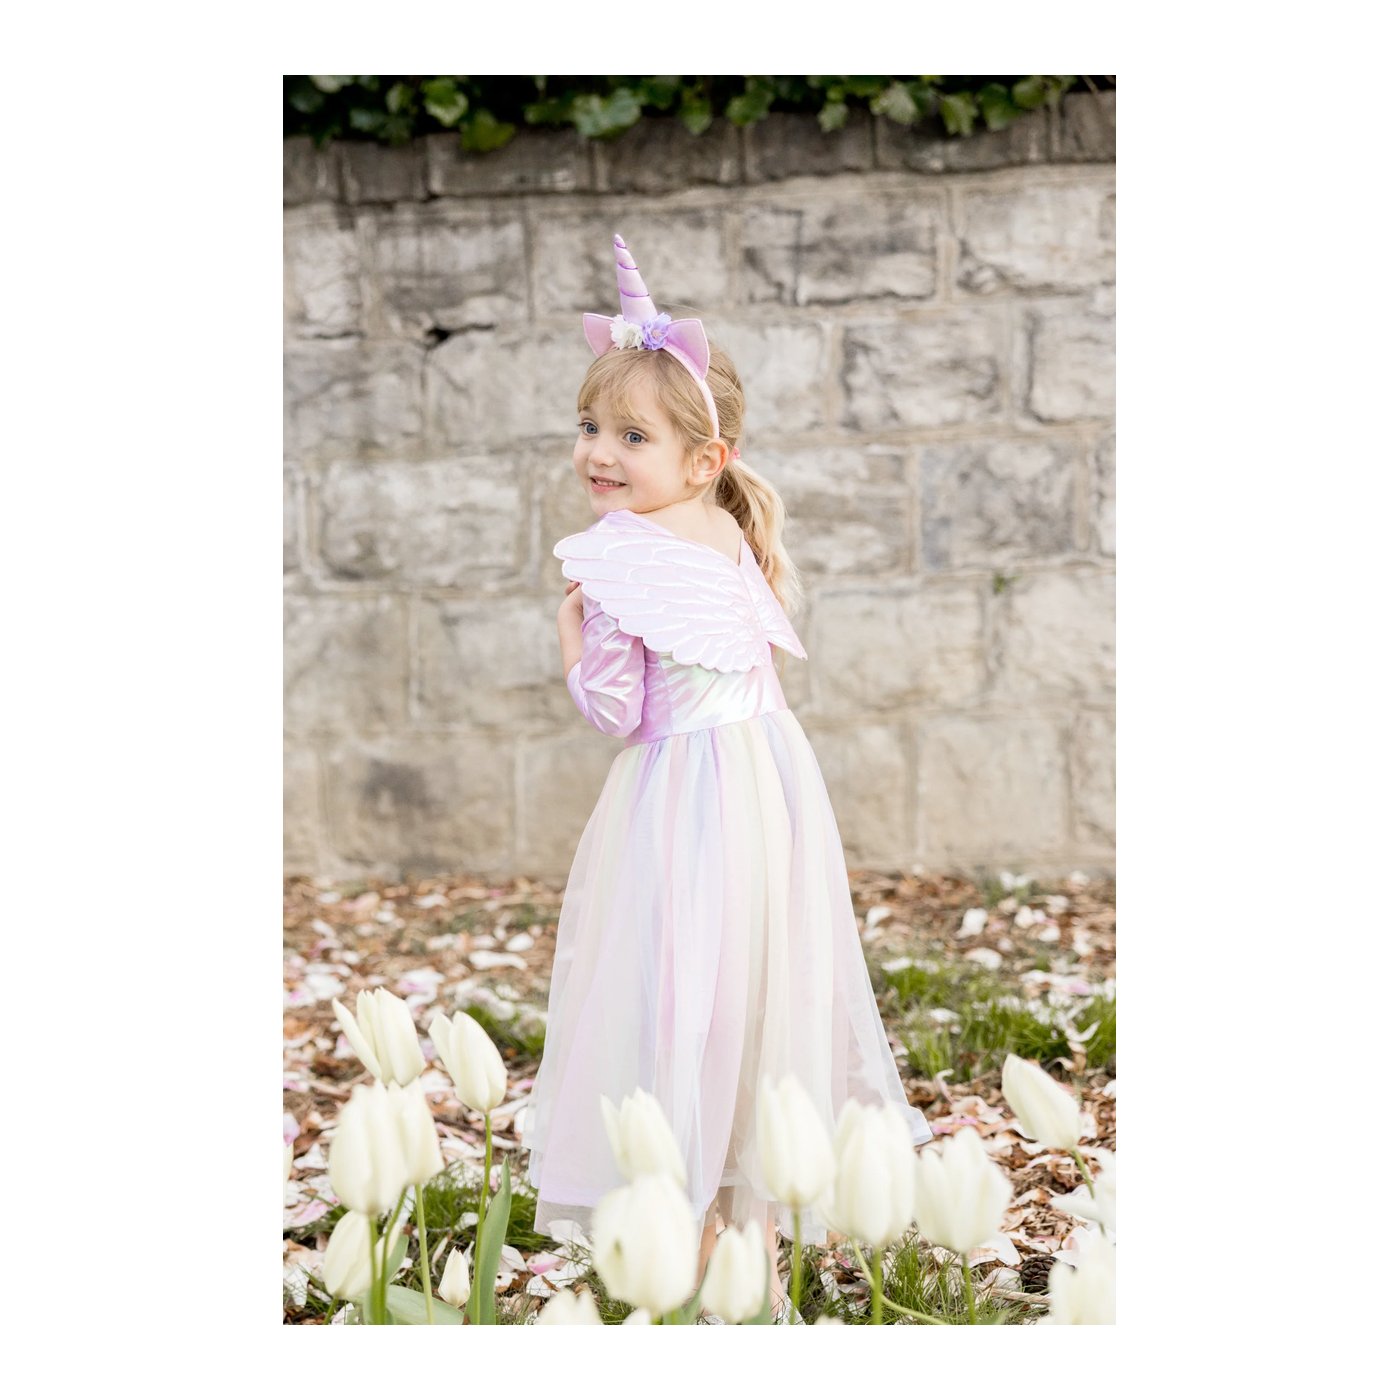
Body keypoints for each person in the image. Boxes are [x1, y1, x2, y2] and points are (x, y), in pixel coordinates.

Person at [520, 233, 932, 1320]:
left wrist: (569, 638)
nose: (600, 455)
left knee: (677, 991)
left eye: (632, 436)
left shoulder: (614, 556)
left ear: (704, 457)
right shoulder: (727, 528)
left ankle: (693, 1225)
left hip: (679, 804)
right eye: (590, 427)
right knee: (757, 989)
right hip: (768, 787)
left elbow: (617, 710)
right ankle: (752, 1238)